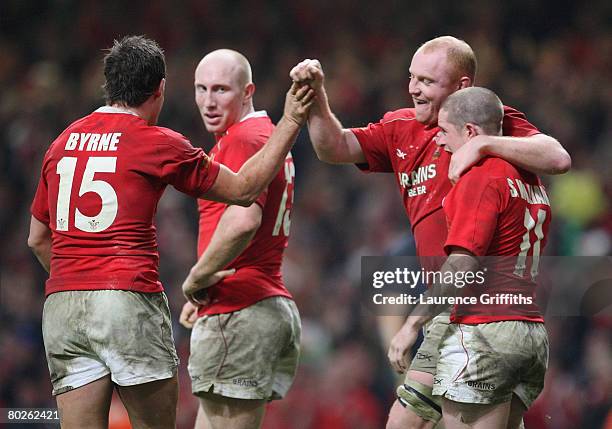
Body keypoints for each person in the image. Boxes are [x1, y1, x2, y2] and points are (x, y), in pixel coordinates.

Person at [27, 36, 313, 429]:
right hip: (126, 297)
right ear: (159, 90)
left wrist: (79, 282)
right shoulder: (156, 141)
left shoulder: (60, 143)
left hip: (61, 306)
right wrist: (293, 120)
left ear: (107, 85)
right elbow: (245, 191)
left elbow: (37, 239)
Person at [289, 35, 569, 429]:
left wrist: (483, 144)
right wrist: (317, 97)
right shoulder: (400, 127)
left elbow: (557, 157)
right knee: (407, 421)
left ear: (463, 87)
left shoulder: (489, 123)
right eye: (411, 77)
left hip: (479, 315)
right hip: (456, 312)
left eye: (426, 81)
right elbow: (332, 147)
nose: (412, 88)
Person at [394, 86, 550, 428]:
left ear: (470, 132)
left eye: (444, 132)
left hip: (484, 331)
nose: (438, 141)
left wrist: (412, 323)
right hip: (529, 333)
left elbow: (463, 264)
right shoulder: (529, 177)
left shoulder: (481, 176)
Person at [177, 49, 301, 429]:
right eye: (201, 89)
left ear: (247, 91)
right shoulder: (264, 136)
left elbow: (245, 220)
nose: (208, 102)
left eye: (220, 90)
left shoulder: (243, 139)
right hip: (256, 304)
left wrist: (198, 278)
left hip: (241, 311)